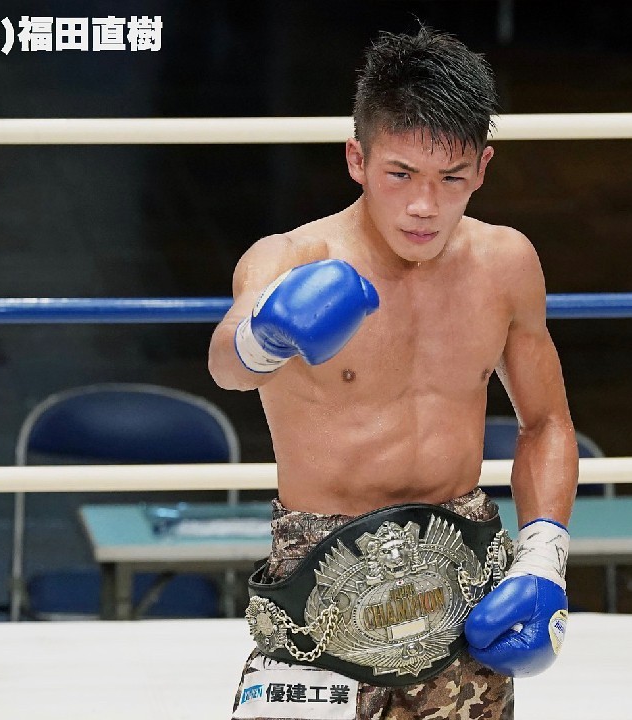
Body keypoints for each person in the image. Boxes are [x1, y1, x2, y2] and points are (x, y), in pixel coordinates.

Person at [209, 25, 578, 720]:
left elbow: (547, 421)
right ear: (357, 157)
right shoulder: (293, 258)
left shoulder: (506, 264)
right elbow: (226, 364)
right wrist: (265, 334)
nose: (423, 206)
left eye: (451, 178)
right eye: (400, 174)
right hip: (320, 575)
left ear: (483, 168)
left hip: (462, 576)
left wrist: (542, 556)